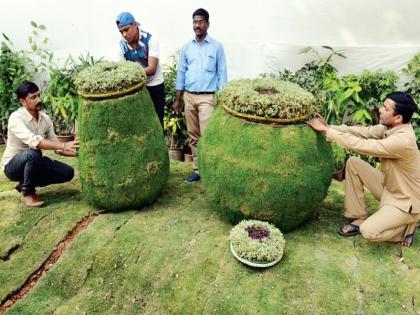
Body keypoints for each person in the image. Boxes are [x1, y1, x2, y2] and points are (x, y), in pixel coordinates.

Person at [308, 92, 420, 247]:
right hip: (389, 187)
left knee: (368, 231)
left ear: (398, 118)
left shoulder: (403, 140)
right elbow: (363, 132)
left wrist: (328, 133)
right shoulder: (390, 128)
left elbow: (364, 146)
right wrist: (328, 127)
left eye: (385, 109)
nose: (380, 110)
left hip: (405, 201)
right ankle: (358, 216)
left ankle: (405, 229)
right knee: (353, 163)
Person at [1, 81, 79, 207]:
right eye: (33, 97)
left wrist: (80, 152)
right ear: (22, 101)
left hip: (33, 162)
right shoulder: (16, 118)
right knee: (34, 153)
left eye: (38, 95)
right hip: (12, 166)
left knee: (67, 172)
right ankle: (27, 194)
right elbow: (35, 142)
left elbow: (57, 147)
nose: (38, 100)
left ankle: (25, 182)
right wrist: (64, 145)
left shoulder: (45, 118)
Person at [172, 8, 227, 183]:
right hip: (189, 97)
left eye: (201, 21)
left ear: (208, 24)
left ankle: (211, 169)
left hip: (207, 98)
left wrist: (222, 97)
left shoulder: (217, 46)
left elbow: (222, 73)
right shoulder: (187, 47)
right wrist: (178, 99)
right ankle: (198, 170)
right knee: (193, 135)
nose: (197, 25)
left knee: (207, 135)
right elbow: (181, 72)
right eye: (195, 22)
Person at [116, 11, 165, 128]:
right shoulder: (121, 46)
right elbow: (121, 73)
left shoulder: (151, 39)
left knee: (157, 122)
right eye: (121, 31)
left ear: (135, 25)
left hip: (154, 83)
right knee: (138, 124)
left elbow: (152, 69)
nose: (124, 34)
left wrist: (130, 74)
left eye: (126, 29)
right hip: (136, 85)